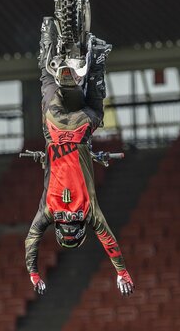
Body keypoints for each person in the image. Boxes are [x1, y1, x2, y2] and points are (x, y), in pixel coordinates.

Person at [24, 17, 134, 297]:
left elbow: (109, 241)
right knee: (46, 79)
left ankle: (96, 58)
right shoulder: (48, 211)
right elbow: (32, 239)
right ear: (59, 229)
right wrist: (34, 274)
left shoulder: (89, 212)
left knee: (97, 109)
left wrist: (122, 271)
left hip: (82, 126)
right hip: (55, 124)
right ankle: (47, 31)